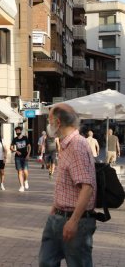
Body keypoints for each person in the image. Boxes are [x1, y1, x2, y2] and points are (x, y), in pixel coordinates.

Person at [38, 103, 97, 266]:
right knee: (46, 262)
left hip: (75, 221)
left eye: (49, 120)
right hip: (57, 217)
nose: (48, 125)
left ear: (57, 122)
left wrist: (74, 221)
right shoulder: (66, 145)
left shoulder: (77, 146)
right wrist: (54, 210)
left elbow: (87, 187)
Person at [10, 126, 31, 192]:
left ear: (21, 131)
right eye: (16, 131)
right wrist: (16, 151)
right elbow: (11, 147)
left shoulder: (25, 138)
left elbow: (29, 147)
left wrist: (28, 155)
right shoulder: (15, 139)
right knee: (19, 171)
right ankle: (22, 186)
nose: (17, 132)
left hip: (25, 156)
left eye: (18, 131)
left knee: (25, 171)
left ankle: (26, 180)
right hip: (18, 157)